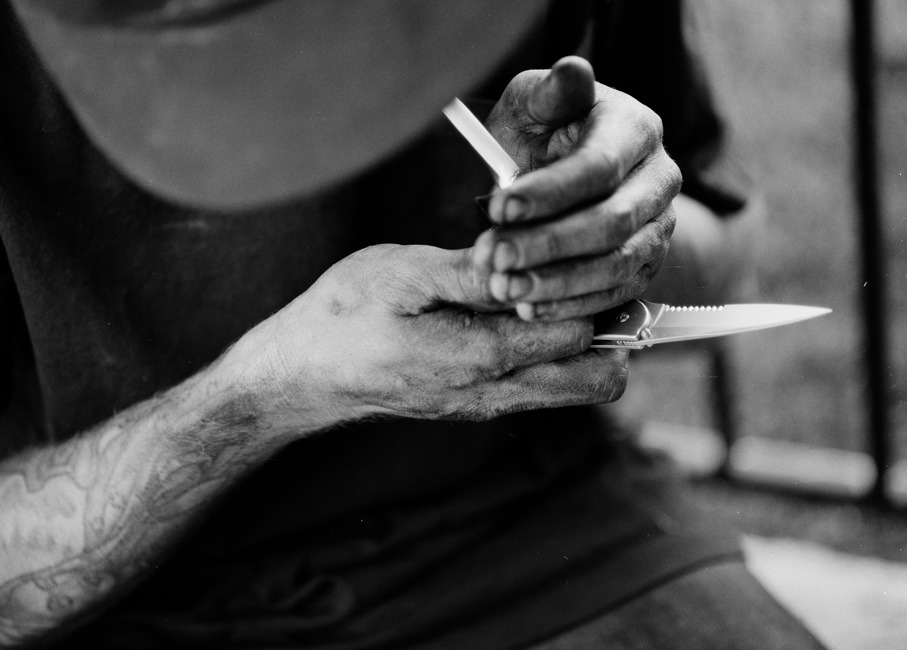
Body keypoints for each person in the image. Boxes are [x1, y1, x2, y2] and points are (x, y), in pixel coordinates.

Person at [0, 1, 822, 648]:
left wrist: (605, 235)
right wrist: (270, 388)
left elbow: (726, 265)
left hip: (539, 530)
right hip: (127, 607)